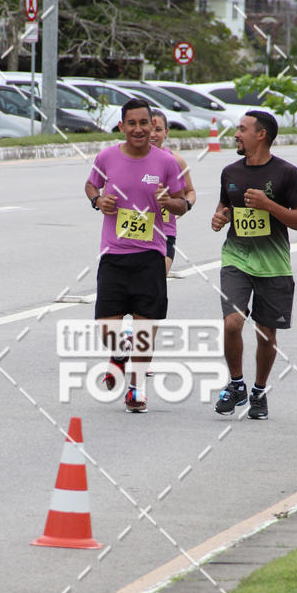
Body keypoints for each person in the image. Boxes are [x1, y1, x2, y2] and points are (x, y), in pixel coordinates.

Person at [85, 97, 187, 413]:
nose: (139, 129)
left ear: (152, 126)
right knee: (106, 328)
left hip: (150, 257)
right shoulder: (106, 157)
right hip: (114, 256)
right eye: (132, 123)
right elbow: (90, 187)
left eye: (145, 123)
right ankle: (118, 353)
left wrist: (168, 202)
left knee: (145, 330)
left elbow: (182, 204)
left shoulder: (167, 163)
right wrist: (98, 201)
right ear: (122, 126)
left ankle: (136, 388)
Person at [211, 110, 297, 419]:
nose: (236, 135)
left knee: (266, 334)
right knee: (232, 323)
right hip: (236, 258)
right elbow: (224, 205)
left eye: (242, 129)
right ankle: (237, 383)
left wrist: (269, 205)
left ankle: (258, 391)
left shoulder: (286, 173)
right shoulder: (230, 172)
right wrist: (219, 217)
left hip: (274, 264)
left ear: (261, 135)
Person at [149, 109, 196, 275]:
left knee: (154, 285)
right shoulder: (130, 159)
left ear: (166, 132)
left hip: (164, 233)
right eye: (150, 128)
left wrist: (184, 205)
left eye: (159, 130)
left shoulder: (175, 160)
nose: (153, 134)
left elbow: (190, 192)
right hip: (134, 232)